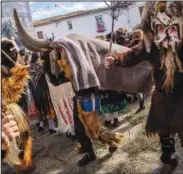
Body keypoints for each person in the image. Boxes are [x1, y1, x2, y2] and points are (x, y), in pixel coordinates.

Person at [104, 2, 183, 173]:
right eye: (160, 28)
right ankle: (168, 160)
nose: (166, 33)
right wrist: (115, 59)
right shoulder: (152, 45)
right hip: (163, 96)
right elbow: (133, 54)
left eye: (170, 27)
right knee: (163, 130)